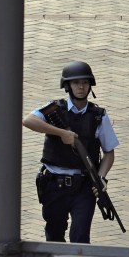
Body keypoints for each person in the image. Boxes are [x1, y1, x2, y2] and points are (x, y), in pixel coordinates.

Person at [22, 61, 117, 243]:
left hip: (84, 186)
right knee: (54, 235)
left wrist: (101, 178)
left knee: (80, 237)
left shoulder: (98, 116)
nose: (81, 87)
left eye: (85, 83)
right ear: (67, 85)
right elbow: (28, 121)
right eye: (76, 83)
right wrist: (61, 133)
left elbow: (109, 154)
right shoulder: (55, 109)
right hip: (53, 185)